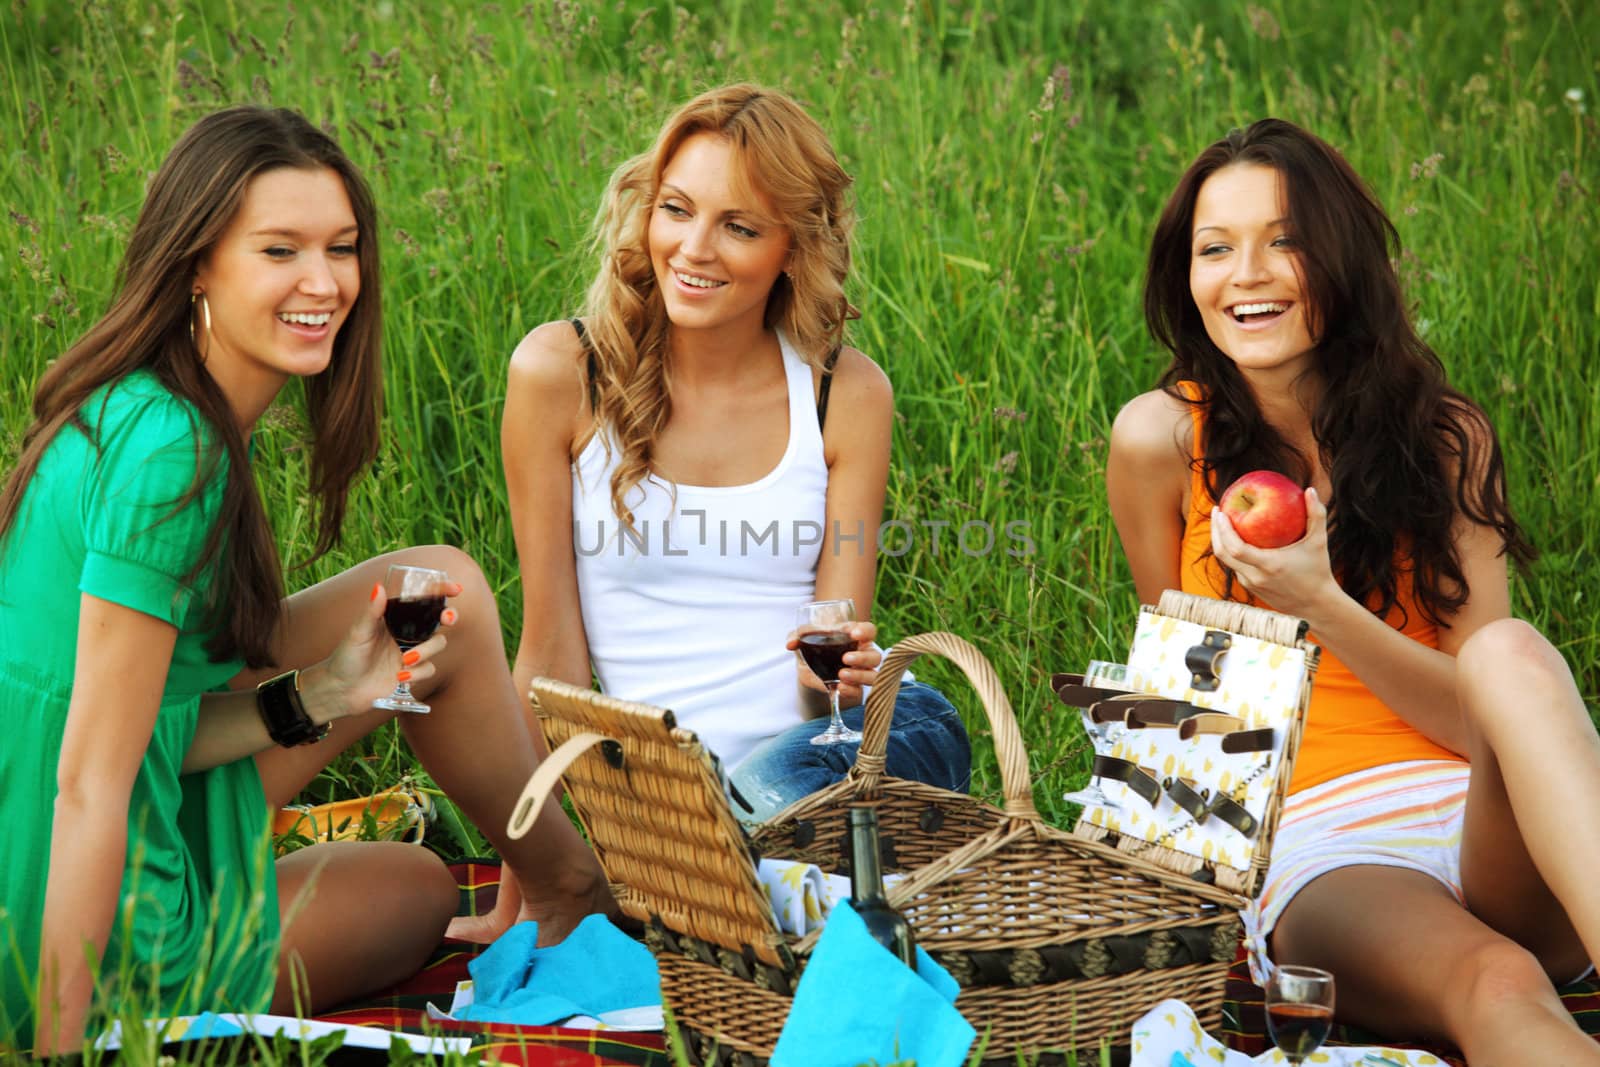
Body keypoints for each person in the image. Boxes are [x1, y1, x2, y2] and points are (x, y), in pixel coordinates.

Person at [0, 106, 610, 1056]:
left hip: (95, 813)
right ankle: (577, 891)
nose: (322, 283)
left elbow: (151, 716)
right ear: (196, 261)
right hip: (91, 912)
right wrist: (60, 1043)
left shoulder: (139, 400)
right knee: (419, 893)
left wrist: (328, 692)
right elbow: (85, 781)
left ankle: (571, 888)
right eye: (279, 250)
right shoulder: (173, 453)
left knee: (436, 587)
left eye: (342, 247)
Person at [1107, 116, 1600, 1061]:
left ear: (1339, 261)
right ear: (1189, 278)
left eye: (1283, 241)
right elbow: (1184, 704)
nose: (1246, 273)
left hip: (1488, 814)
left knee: (1511, 650)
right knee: (1498, 983)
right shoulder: (1160, 442)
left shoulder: (1444, 436)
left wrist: (1320, 603)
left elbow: (1482, 723)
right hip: (1327, 839)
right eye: (1216, 249)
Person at [459, 83, 971, 940]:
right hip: (680, 796)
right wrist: (524, 901)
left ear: (792, 249)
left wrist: (831, 681)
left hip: (838, 757)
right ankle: (827, 898)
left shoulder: (844, 390)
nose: (693, 249)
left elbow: (834, 656)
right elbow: (548, 659)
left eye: (738, 226)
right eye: (676, 210)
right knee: (733, 859)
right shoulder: (562, 373)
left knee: (799, 812)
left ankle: (813, 891)